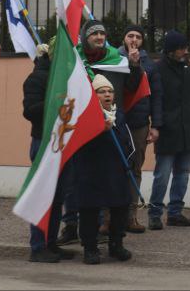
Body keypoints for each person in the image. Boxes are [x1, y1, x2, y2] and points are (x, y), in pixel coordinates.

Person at [70, 75, 134, 265]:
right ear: (94, 95)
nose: (107, 94)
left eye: (110, 91)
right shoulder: (87, 115)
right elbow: (80, 142)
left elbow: (126, 139)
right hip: (92, 170)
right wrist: (100, 130)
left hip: (116, 168)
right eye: (102, 91)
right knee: (90, 209)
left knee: (120, 207)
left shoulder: (118, 114)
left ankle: (116, 244)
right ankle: (90, 248)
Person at [21, 44, 74, 263]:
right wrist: (54, 101)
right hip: (44, 142)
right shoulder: (36, 78)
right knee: (43, 196)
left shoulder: (68, 78)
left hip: (61, 142)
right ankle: (38, 246)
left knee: (59, 196)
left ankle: (51, 243)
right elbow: (30, 111)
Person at [147, 30, 190, 229]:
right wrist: (157, 126)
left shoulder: (187, 66)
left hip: (187, 128)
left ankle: (175, 212)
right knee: (162, 174)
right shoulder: (157, 69)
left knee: (183, 173)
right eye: (182, 48)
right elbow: (156, 101)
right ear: (171, 50)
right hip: (168, 129)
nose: (186, 51)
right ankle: (154, 214)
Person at [119, 25, 152, 234]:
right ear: (123, 39)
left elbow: (155, 95)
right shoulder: (114, 59)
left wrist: (154, 124)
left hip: (139, 124)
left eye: (138, 36)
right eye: (130, 35)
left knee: (135, 169)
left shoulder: (149, 63)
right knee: (114, 169)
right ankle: (107, 218)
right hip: (118, 122)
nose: (134, 39)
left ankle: (131, 216)